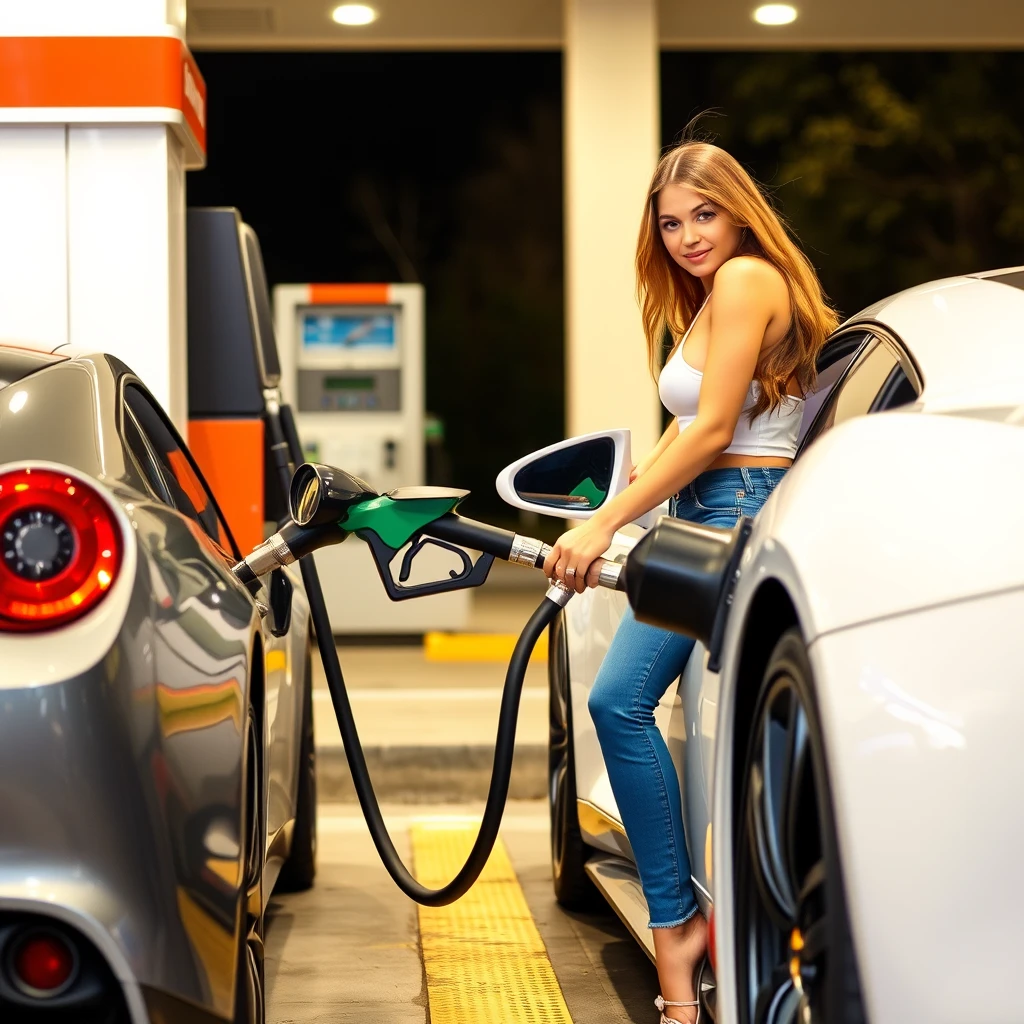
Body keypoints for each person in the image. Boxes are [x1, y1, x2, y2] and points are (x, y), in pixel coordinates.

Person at [542, 140, 839, 1023]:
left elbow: (713, 434)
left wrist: (601, 522)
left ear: (739, 209)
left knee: (617, 705)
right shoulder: (716, 295)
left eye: (702, 215)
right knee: (630, 708)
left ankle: (678, 930)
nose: (686, 237)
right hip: (702, 511)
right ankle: (682, 936)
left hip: (733, 511)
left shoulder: (747, 281)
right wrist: (619, 522)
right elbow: (681, 440)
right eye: (670, 224)